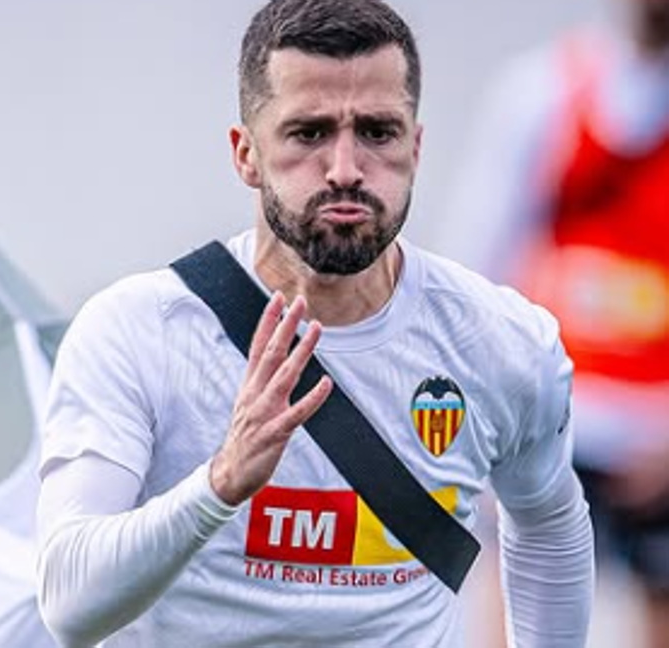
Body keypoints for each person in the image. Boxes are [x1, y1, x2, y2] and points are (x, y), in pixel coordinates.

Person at [35, 0, 595, 646]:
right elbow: (68, 601)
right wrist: (219, 484)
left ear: (415, 146)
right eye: (309, 133)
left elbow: (549, 524)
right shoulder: (139, 332)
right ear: (246, 154)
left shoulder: (501, 342)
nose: (346, 169)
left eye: (378, 133)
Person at [448, 0, 669, 645]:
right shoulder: (540, 94)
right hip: (553, 425)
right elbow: (479, 274)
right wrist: (487, 431)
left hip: (657, 440)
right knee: (513, 622)